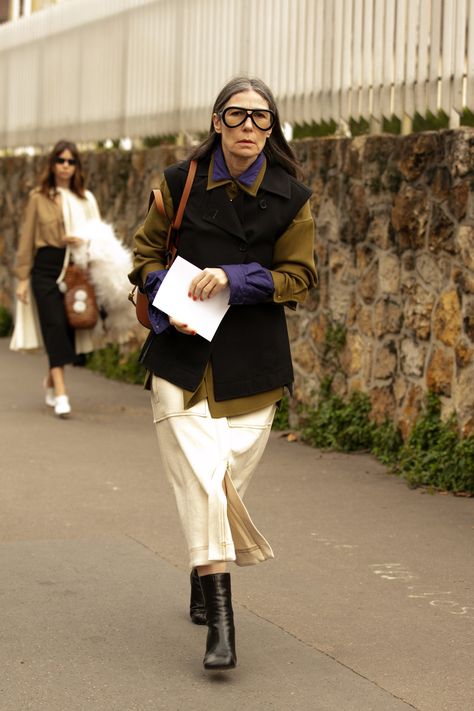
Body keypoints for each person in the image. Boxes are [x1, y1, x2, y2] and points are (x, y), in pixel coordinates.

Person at [129, 76, 317, 671]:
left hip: (254, 363)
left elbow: (300, 278)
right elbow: (144, 258)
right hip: (180, 360)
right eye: (236, 116)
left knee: (224, 477)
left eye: (261, 119)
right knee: (204, 480)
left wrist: (235, 279)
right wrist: (171, 298)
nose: (248, 128)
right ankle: (223, 623)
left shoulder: (292, 197)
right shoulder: (177, 184)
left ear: (272, 127)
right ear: (216, 121)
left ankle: (200, 563)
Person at [13, 140, 101, 418]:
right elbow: (26, 239)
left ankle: (51, 380)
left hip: (74, 269)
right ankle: (61, 393)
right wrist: (23, 278)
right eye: (60, 161)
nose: (65, 166)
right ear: (52, 165)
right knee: (53, 326)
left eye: (70, 161)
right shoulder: (39, 197)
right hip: (45, 268)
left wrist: (81, 240)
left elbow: (98, 236)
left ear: (77, 166)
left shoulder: (86, 199)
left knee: (70, 328)